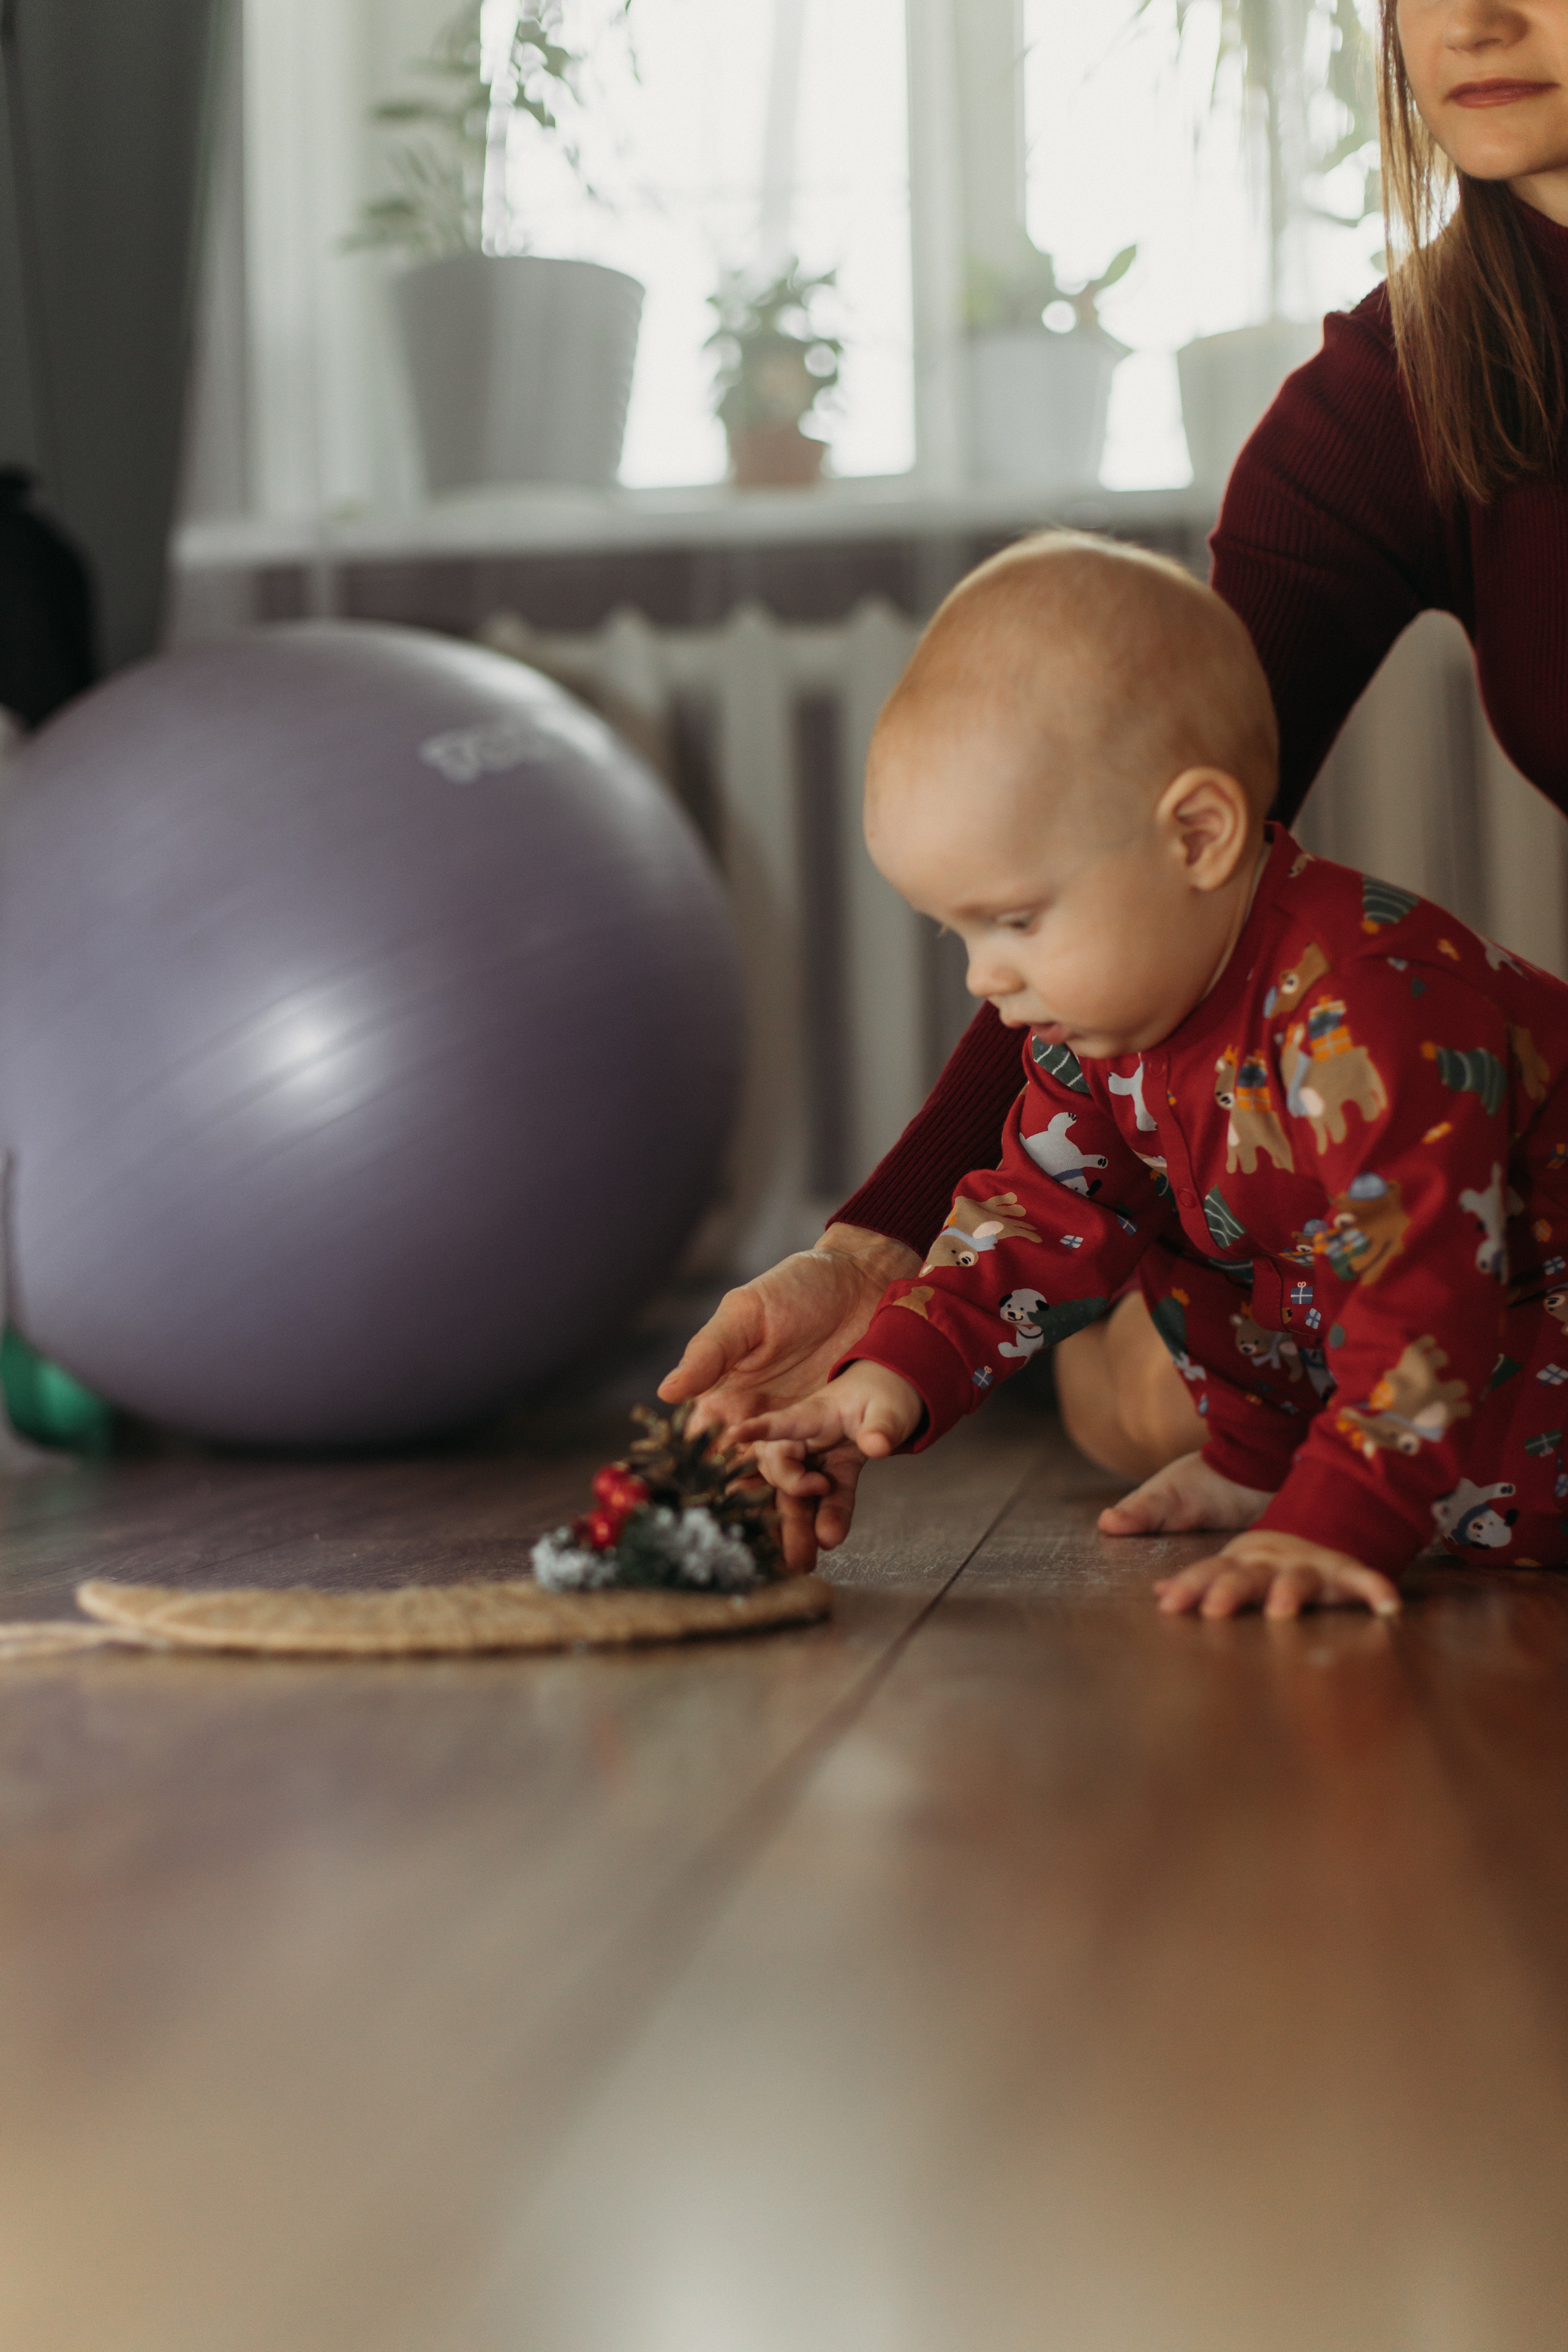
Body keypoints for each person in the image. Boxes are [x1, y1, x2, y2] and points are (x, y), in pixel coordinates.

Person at [660, 0, 1568, 1567]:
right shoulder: (1394, 392)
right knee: (1131, 1384)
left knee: (1401, 1354)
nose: (1472, 19)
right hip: (1477, 1242)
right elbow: (1111, 849)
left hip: (1491, 1209)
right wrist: (880, 1262)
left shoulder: (1379, 1006)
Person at [731, 533, 1568, 1617]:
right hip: (1410, 1344)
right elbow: (1033, 1216)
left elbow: (1419, 1284)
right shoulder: (1098, 1034)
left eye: (1018, 920)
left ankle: (1339, 1484)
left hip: (1521, 1300)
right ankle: (1259, 1462)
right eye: (960, 936)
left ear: (1198, 836)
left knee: (1508, 1484)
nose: (989, 978)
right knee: (1191, 1244)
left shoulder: (1365, 1005)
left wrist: (1339, 1522)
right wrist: (886, 1377)